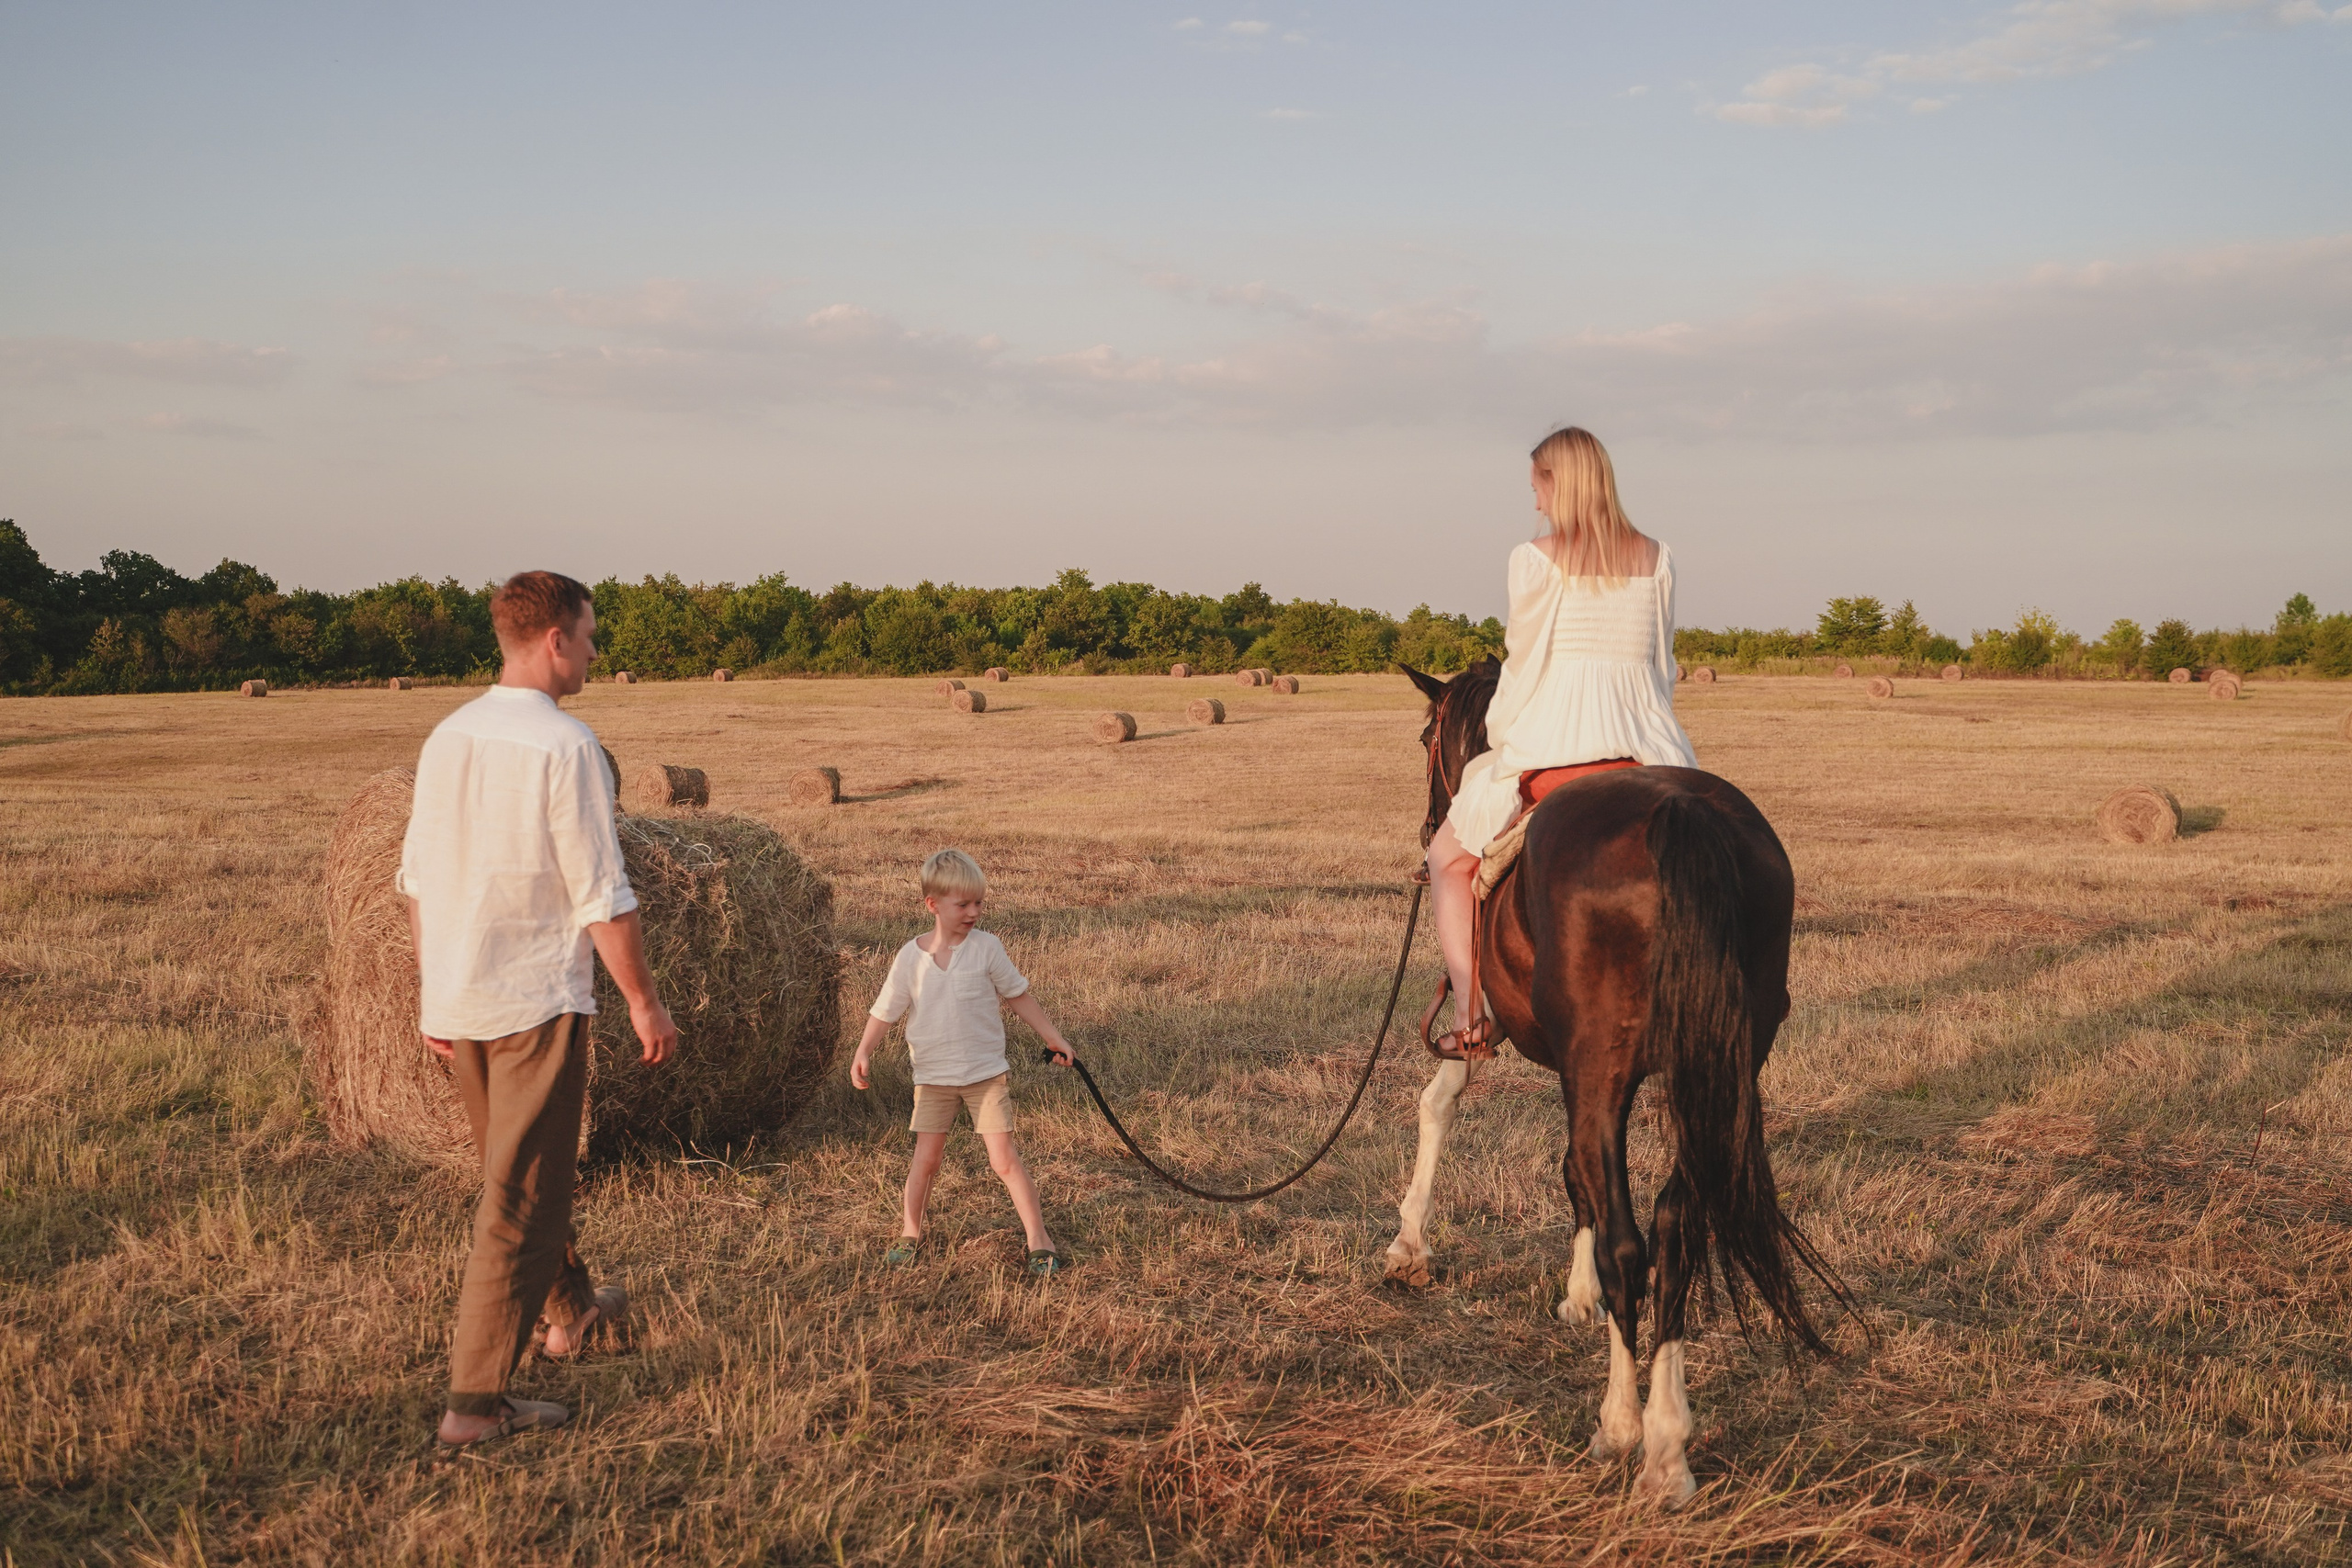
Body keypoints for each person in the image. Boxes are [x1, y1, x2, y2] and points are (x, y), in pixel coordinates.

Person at [401, 570, 680, 1458]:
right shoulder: (567, 745)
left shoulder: (448, 735)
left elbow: (417, 879)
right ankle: (474, 1406)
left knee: (518, 1172)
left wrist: (432, 989)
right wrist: (645, 1001)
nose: (595, 654)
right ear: (556, 639)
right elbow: (603, 893)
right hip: (531, 1002)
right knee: (520, 1200)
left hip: (462, 998)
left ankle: (570, 1312)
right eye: (590, 638)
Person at [1425, 427, 1699, 1054]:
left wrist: (1501, 740)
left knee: (1447, 861)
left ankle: (1470, 1016)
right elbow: (1663, 667)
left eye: (1538, 487)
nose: (1535, 502)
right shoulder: (1659, 558)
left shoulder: (1536, 558)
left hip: (1559, 740)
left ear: (1561, 483)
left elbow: (1522, 668)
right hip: (1651, 746)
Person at [849, 848, 1075, 1276]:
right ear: (933, 905)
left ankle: (1039, 1239)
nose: (974, 912)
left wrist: (1053, 1037)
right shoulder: (910, 957)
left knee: (1003, 1160)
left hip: (984, 1075)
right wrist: (863, 1050)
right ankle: (910, 1232)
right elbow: (885, 1010)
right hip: (933, 1077)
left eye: (979, 903)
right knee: (927, 1160)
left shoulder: (986, 948)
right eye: (964, 904)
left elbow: (1018, 995)